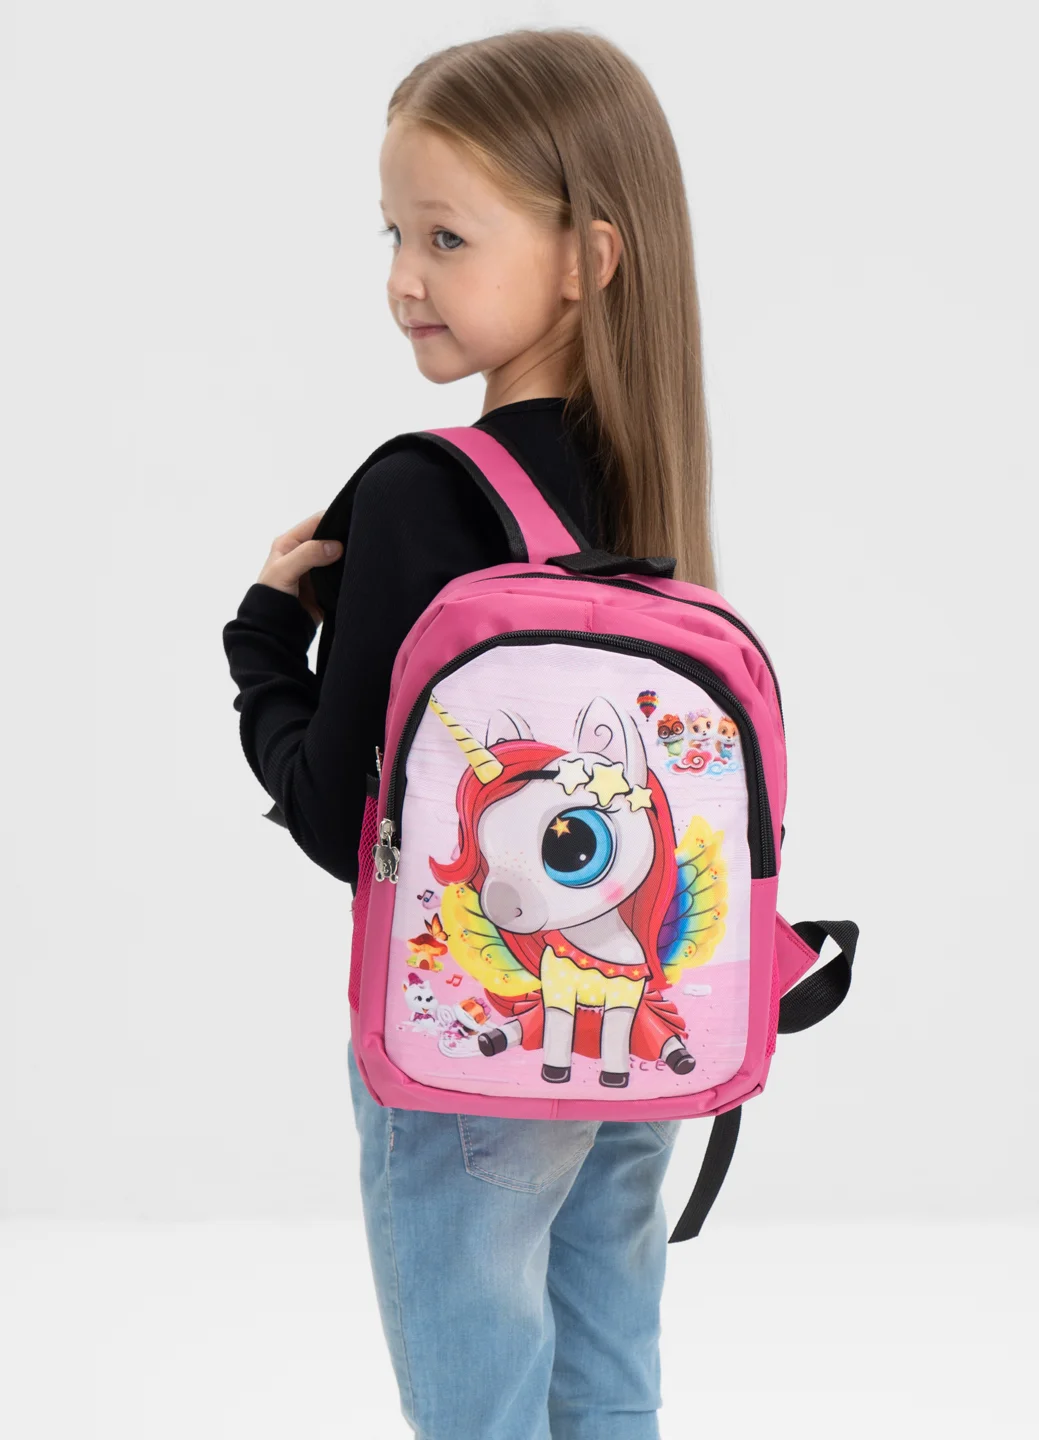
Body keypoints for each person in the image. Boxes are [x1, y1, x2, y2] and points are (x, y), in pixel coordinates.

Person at [222, 27, 718, 1440]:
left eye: (446, 236)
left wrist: (261, 648)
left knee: (478, 1411)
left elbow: (344, 824)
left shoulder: (419, 492)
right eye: (392, 232)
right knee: (606, 1378)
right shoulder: (651, 481)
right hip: (640, 1033)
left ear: (585, 258)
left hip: (471, 1041)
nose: (403, 278)